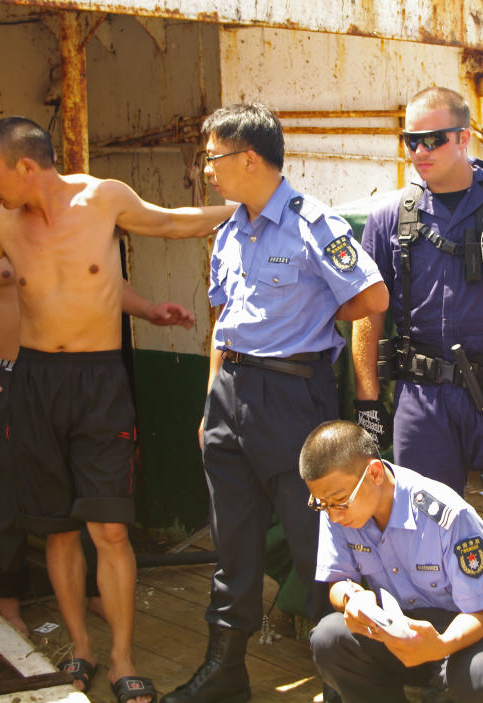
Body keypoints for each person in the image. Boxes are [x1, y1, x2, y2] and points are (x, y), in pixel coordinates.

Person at [0, 116, 236, 703]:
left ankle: (122, 659)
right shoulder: (2, 225)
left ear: (25, 167)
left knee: (110, 529)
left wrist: (248, 209)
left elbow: (171, 222)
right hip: (35, 382)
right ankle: (81, 648)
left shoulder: (104, 198)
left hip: (99, 382)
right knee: (58, 531)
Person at [158, 103, 388, 703]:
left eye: (213, 157)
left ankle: (340, 679)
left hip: (291, 395)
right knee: (231, 542)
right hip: (231, 395)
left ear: (250, 158)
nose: (207, 169)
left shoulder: (314, 224)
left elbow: (372, 295)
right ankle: (224, 673)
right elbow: (221, 322)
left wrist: (315, 313)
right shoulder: (231, 231)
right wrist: (212, 404)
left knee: (319, 544)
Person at [350, 87, 483, 702]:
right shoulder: (390, 214)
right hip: (423, 402)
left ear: (465, 138)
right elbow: (368, 316)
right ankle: (434, 652)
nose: (419, 151)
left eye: (432, 139)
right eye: (409, 141)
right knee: (419, 532)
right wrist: (370, 407)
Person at [0, 196, 197, 654]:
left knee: (85, 491)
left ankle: (91, 590)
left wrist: (147, 309)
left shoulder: (62, 219)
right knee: (3, 489)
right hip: (6, 374)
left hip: (72, 374)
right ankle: (6, 599)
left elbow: (100, 282)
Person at [299, 420, 483, 702]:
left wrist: (440, 646)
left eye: (339, 502)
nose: (334, 515)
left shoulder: (449, 516)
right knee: (329, 638)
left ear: (374, 473)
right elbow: (338, 581)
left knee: (478, 678)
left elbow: (482, 615)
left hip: (458, 634)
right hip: (393, 629)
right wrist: (353, 597)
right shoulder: (335, 506)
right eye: (321, 504)